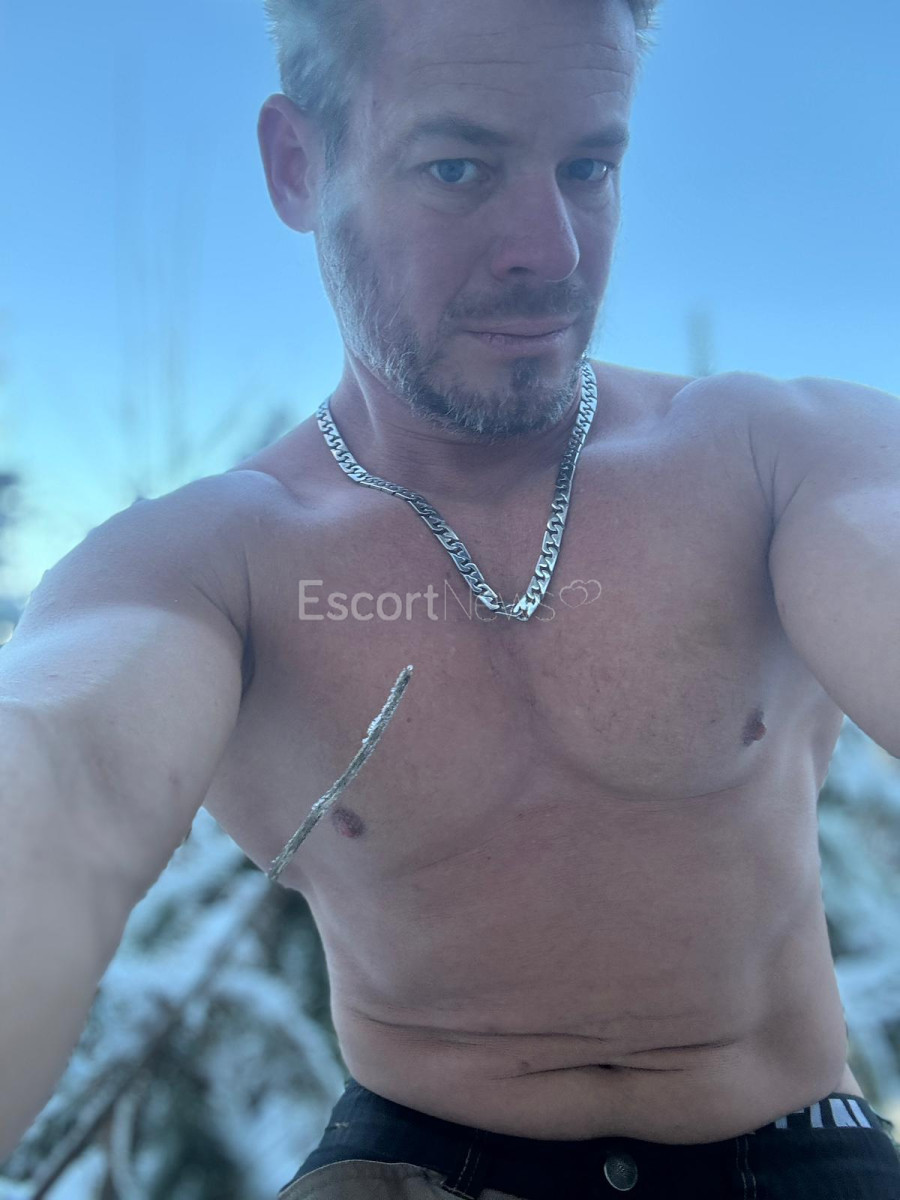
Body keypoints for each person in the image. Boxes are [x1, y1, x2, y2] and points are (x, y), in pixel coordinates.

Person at [1, 0, 899, 1195]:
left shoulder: (773, 456)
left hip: (794, 1146)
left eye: (588, 168)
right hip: (414, 1164)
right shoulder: (210, 564)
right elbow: (60, 778)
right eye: (459, 168)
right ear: (298, 164)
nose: (552, 252)